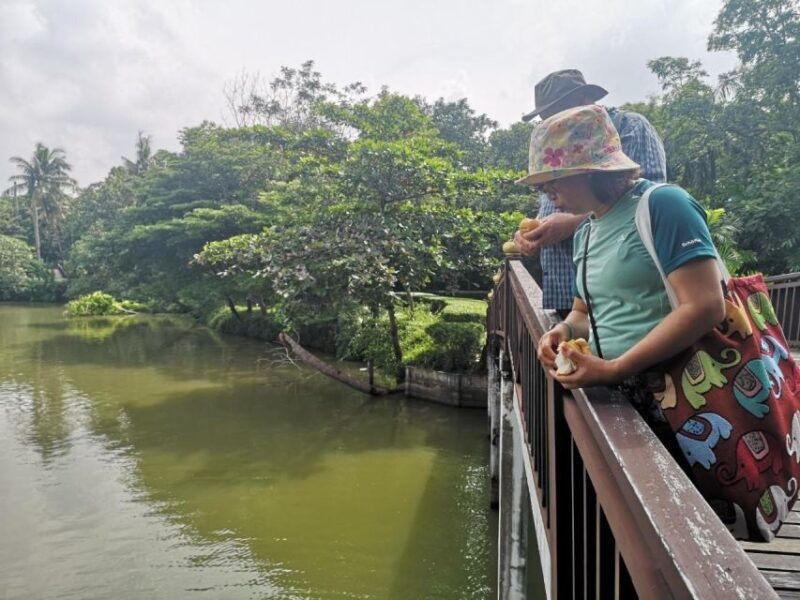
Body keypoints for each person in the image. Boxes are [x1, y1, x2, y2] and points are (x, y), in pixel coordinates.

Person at [515, 105, 724, 418]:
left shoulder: (664, 204)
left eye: (554, 179)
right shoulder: (585, 230)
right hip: (620, 402)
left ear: (592, 170)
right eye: (542, 186)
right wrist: (565, 331)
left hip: (681, 397)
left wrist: (614, 368)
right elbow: (584, 312)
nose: (547, 193)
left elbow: (705, 305)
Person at [515, 70, 667, 318]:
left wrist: (573, 223)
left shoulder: (632, 128)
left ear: (585, 100)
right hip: (570, 296)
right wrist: (535, 232)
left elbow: (648, 200)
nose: (551, 127)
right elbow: (553, 205)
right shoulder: (556, 149)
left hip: (623, 300)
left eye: (557, 115)